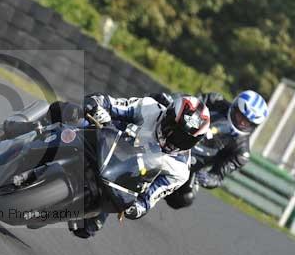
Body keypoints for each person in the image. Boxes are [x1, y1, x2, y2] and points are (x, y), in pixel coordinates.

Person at [68, 93, 211, 239]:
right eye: (172, 129)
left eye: (183, 140)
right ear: (167, 114)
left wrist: (133, 208)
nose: (173, 140)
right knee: (68, 112)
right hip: (102, 141)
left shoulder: (180, 171)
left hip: (116, 180)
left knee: (87, 228)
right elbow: (108, 102)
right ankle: (46, 134)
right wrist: (97, 108)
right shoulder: (149, 107)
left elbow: (148, 199)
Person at [150, 90, 268, 207]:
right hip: (173, 135)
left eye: (247, 122)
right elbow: (188, 101)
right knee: (156, 101)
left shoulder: (241, 152)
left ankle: (151, 195)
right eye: (240, 116)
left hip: (190, 165)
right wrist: (172, 99)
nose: (241, 122)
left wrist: (207, 179)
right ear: (235, 107)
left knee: (186, 198)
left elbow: (218, 176)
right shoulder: (215, 100)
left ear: (253, 126)